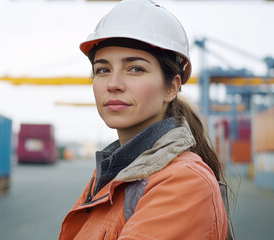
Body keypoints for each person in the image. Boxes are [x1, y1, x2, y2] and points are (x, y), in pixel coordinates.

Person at [59, 0, 231, 239]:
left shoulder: (185, 181)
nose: (113, 84)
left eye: (135, 69)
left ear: (171, 87)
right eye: (102, 70)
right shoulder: (116, 171)